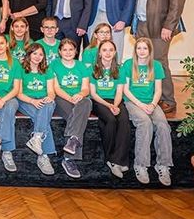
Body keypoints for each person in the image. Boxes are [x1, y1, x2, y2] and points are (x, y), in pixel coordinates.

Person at [134, 0, 186, 114]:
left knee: (160, 63)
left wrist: (169, 26)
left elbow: (177, 3)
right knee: (145, 62)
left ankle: (168, 100)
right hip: (142, 24)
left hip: (160, 27)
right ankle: (151, 96)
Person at [122, 37, 173, 186]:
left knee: (163, 126)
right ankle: (141, 164)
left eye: (145, 48)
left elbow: (158, 90)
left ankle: (163, 165)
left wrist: (152, 104)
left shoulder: (156, 66)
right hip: (132, 102)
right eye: (139, 48)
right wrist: (140, 105)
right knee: (145, 123)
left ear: (150, 50)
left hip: (150, 102)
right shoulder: (128, 64)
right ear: (135, 50)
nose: (142, 51)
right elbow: (125, 89)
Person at [50, 38, 93, 179]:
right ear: (60, 51)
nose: (68, 52)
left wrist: (80, 94)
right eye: (65, 49)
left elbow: (86, 88)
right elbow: (56, 88)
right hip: (61, 98)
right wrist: (70, 98)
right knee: (76, 119)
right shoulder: (54, 65)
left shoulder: (81, 66)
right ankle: (69, 158)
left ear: (75, 51)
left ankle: (72, 141)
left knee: (87, 102)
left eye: (71, 49)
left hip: (79, 99)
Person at [89, 40, 132, 179]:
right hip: (99, 101)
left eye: (111, 50)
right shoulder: (93, 69)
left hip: (116, 100)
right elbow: (94, 94)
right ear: (100, 53)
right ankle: (111, 159)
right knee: (110, 120)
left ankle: (120, 160)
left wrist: (115, 105)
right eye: (104, 50)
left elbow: (119, 92)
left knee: (124, 120)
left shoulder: (120, 69)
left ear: (115, 53)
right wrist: (109, 106)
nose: (107, 53)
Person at [16, 43, 57, 177]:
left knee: (49, 105)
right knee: (44, 117)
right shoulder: (21, 69)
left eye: (40, 54)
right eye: (35, 53)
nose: (38, 57)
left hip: (43, 100)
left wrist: (49, 98)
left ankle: (37, 137)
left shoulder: (47, 70)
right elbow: (18, 93)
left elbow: (51, 92)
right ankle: (44, 156)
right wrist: (32, 101)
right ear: (29, 54)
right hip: (25, 100)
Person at [0, 32, 23, 173]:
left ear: (7, 44)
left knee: (11, 106)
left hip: (9, 99)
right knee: (9, 115)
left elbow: (16, 89)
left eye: (2, 43)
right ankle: (7, 153)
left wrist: (3, 99)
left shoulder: (15, 63)